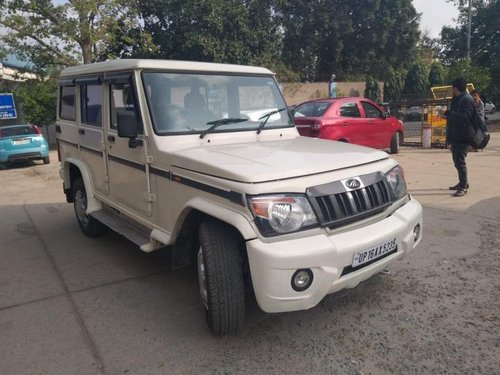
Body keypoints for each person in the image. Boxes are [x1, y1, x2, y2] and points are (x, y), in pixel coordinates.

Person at [445, 77, 476, 197]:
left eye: (452, 88)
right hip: (456, 134)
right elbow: (456, 116)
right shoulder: (458, 99)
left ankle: (463, 186)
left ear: (455, 88)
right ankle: (462, 183)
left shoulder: (467, 100)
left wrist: (448, 113)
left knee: (460, 161)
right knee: (457, 161)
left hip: (464, 135)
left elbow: (464, 117)